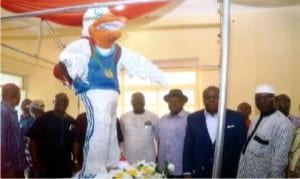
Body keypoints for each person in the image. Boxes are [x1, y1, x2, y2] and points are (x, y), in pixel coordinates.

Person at [54, 7, 167, 177]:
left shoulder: (117, 50)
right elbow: (64, 62)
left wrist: (157, 74)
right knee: (99, 126)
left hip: (112, 93)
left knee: (110, 128)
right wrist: (72, 79)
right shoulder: (85, 45)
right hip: (93, 91)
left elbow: (137, 61)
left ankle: (111, 162)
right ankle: (92, 169)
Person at [183, 86, 247, 178]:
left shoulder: (236, 118)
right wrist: (187, 172)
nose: (211, 100)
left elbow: (242, 148)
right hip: (201, 172)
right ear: (203, 99)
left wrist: (242, 173)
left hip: (229, 172)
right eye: (207, 97)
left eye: (215, 97)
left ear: (222, 98)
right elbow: (188, 146)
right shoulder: (193, 118)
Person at [237, 84, 295, 178]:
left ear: (274, 99)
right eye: (258, 98)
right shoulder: (255, 120)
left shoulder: (282, 123)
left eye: (266, 98)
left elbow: (279, 162)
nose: (262, 101)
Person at [27, 93, 76, 177]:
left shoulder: (71, 121)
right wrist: (36, 164)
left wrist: (75, 162)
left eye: (65, 100)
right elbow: (33, 142)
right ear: (54, 102)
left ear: (68, 103)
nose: (62, 102)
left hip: (65, 166)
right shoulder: (43, 119)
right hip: (46, 166)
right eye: (59, 100)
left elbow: (74, 143)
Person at [155, 89, 190, 178]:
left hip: (181, 169)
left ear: (183, 102)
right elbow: (159, 141)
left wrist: (188, 172)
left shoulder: (190, 119)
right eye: (170, 101)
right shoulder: (162, 119)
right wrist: (157, 158)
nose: (173, 104)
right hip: (163, 168)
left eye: (177, 101)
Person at [119, 92, 159, 164]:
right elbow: (120, 139)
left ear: (144, 102)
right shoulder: (123, 117)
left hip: (148, 155)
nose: (138, 103)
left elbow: (158, 138)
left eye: (140, 101)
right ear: (131, 103)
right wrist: (120, 153)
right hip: (129, 155)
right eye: (135, 101)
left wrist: (158, 155)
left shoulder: (153, 116)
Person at [1, 83, 26, 178]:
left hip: (15, 167)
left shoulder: (11, 112)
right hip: (9, 169)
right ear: (17, 97)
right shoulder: (3, 112)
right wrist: (8, 168)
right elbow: (1, 144)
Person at [24, 100, 45, 177]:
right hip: (44, 163)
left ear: (33, 110)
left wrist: (35, 165)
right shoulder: (47, 120)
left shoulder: (34, 123)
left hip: (36, 164)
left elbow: (31, 145)